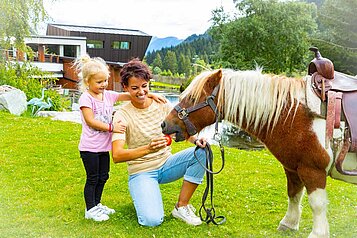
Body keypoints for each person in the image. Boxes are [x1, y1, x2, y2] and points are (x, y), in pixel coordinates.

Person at [111, 59, 207, 227]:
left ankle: (181, 207)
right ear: (125, 88)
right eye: (134, 88)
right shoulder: (121, 115)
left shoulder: (161, 103)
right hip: (142, 172)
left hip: (167, 164)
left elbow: (179, 128)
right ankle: (143, 194)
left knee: (203, 152)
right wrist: (148, 149)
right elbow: (117, 155)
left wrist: (195, 139)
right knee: (152, 220)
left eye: (144, 86)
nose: (141, 92)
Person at [75, 55, 165, 222]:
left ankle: (97, 204)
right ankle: (90, 209)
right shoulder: (86, 98)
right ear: (88, 82)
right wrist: (112, 128)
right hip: (89, 148)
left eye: (105, 81)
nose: (103, 85)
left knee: (104, 176)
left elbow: (130, 95)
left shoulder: (107, 95)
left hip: (103, 148)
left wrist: (150, 95)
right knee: (93, 178)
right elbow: (90, 120)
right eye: (99, 82)